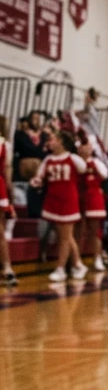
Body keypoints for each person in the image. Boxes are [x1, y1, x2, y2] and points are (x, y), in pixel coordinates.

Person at [30, 129, 88, 283]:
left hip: (68, 199)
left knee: (64, 237)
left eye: (53, 139)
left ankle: (60, 268)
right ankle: (78, 264)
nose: (49, 142)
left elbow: (83, 169)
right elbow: (39, 176)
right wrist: (36, 181)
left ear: (62, 142)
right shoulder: (48, 159)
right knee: (65, 236)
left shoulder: (73, 158)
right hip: (52, 199)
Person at [77, 136, 108, 272]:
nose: (85, 149)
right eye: (83, 146)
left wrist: (92, 167)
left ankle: (97, 258)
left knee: (94, 230)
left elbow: (104, 175)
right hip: (77, 197)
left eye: (88, 147)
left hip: (94, 197)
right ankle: (76, 261)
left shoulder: (97, 162)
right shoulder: (74, 161)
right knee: (78, 231)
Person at [0, 115, 16, 285]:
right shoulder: (6, 145)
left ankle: (7, 267)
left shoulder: (4, 144)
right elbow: (7, 173)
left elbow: (7, 172)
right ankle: (7, 267)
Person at [13, 110, 46, 182]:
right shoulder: (21, 135)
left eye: (38, 119)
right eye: (34, 118)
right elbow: (16, 150)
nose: (36, 121)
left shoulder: (44, 135)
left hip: (39, 167)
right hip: (24, 167)